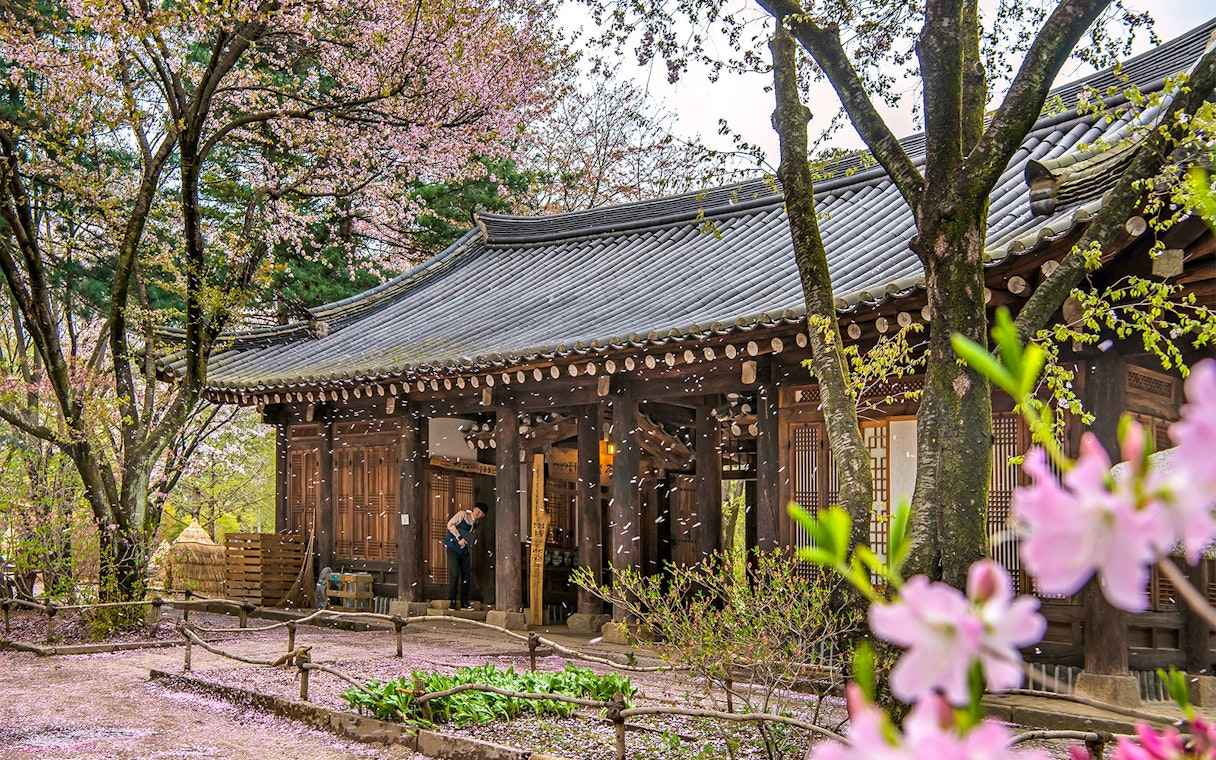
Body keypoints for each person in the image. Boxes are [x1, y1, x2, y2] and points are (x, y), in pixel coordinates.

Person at [444, 502, 487, 610]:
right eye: (477, 510)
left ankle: (464, 603)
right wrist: (459, 538)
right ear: (473, 509)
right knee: (454, 574)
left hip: (463, 551)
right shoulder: (463, 514)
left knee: (466, 577)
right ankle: (452, 601)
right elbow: (450, 525)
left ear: (483, 516)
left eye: (480, 512)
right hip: (453, 548)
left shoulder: (475, 524)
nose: (478, 512)